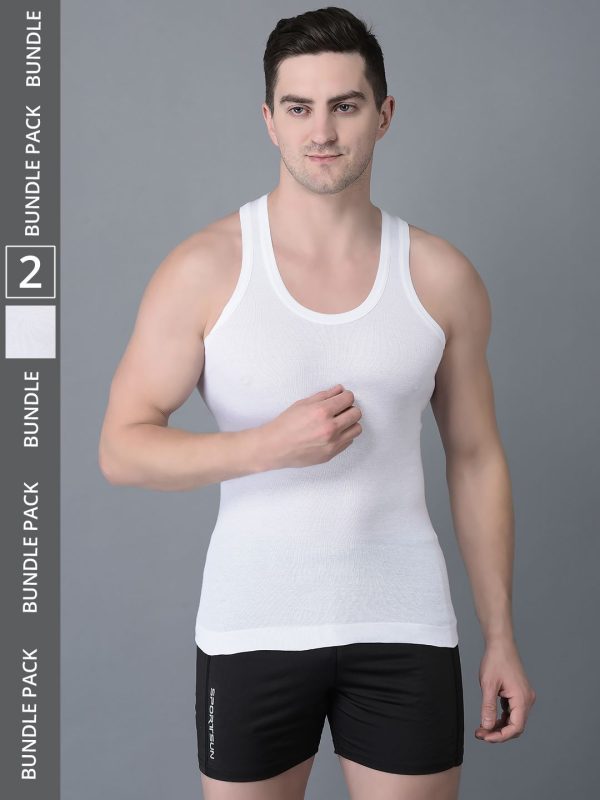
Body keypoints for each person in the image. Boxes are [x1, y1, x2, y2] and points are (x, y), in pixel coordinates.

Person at [98, 6, 536, 799]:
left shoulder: (440, 276)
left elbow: (476, 458)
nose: (322, 132)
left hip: (404, 625)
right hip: (251, 627)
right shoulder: (205, 269)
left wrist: (500, 634)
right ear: (269, 120)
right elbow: (121, 447)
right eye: (299, 108)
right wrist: (266, 446)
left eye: (345, 105)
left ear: (384, 114)